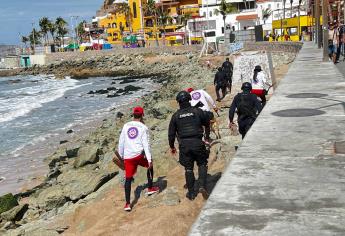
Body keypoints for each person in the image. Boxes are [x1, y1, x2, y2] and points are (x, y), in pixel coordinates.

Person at [168, 91, 210, 200]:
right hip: (197, 142)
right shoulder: (197, 111)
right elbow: (207, 123)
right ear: (189, 99)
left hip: (185, 145)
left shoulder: (176, 116)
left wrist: (172, 147)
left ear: (178, 102)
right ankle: (202, 186)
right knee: (202, 163)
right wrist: (206, 137)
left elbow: (171, 134)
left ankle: (191, 194)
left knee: (188, 168)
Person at [118, 106, 160, 212]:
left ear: (133, 115)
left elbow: (121, 142)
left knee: (128, 178)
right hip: (139, 156)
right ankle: (150, 188)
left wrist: (121, 156)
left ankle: (127, 204)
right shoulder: (143, 127)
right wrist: (149, 159)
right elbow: (146, 145)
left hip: (128, 157)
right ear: (142, 115)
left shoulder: (126, 125)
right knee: (150, 166)